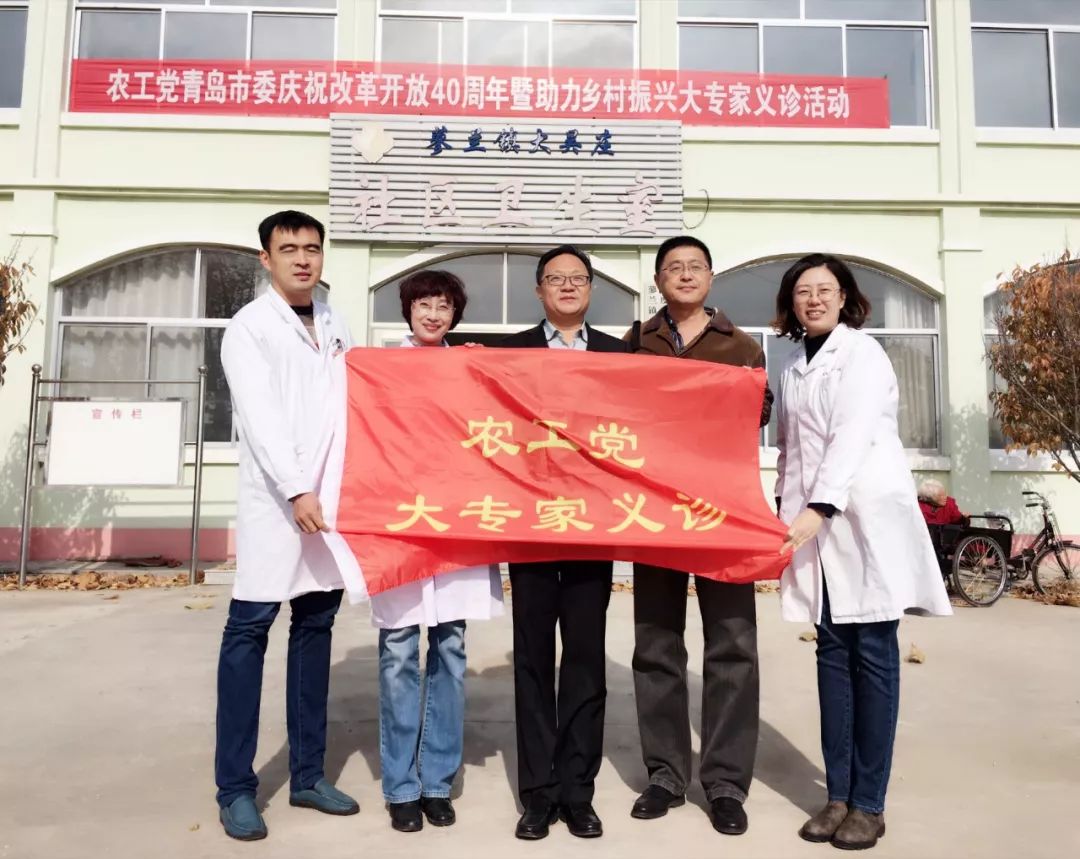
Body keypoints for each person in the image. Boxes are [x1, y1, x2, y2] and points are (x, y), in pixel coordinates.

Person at [773, 253, 951, 850]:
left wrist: (818, 508)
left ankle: (869, 803)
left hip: (863, 519)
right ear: (791, 303)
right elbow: (792, 447)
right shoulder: (793, 365)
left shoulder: (864, 355)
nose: (814, 299)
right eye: (803, 291)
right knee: (831, 653)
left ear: (845, 297)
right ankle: (838, 796)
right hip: (817, 527)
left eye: (825, 289)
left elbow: (850, 437)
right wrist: (784, 506)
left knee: (872, 654)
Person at [214, 210, 358, 841]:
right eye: (289, 248)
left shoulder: (334, 321)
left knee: (316, 628)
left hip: (326, 507)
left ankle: (307, 775)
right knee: (248, 633)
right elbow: (262, 418)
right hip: (279, 504)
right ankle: (235, 788)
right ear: (265, 259)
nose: (303, 258)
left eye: (312, 248)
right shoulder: (250, 327)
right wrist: (296, 487)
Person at [625, 235, 771, 836]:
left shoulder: (741, 346)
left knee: (732, 644)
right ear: (659, 280)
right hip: (655, 513)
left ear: (710, 278)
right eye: (673, 268)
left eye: (695, 267)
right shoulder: (637, 341)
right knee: (656, 643)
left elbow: (761, 413)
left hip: (721, 513)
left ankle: (726, 783)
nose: (684, 275)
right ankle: (665, 774)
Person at [493, 244, 629, 841]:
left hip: (592, 525)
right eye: (556, 278)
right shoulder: (508, 354)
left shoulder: (622, 357)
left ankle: (578, 792)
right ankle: (537, 794)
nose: (568, 286)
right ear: (539, 290)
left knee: (584, 660)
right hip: (529, 526)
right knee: (531, 660)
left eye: (578, 278)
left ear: (591, 288)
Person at [372, 270, 504, 833]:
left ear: (455, 314)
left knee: (450, 650)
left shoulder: (469, 366)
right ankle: (401, 785)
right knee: (400, 652)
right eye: (423, 304)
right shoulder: (380, 369)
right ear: (407, 310)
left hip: (458, 524)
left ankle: (437, 781)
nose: (433, 314)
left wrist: (485, 371)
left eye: (443, 306)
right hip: (402, 524)